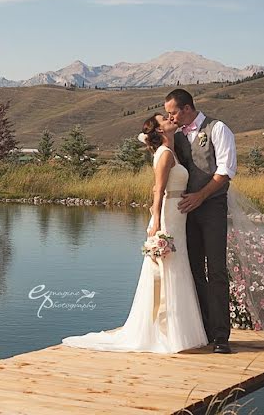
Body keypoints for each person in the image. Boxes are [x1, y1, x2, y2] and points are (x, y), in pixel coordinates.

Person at [61, 113, 208, 353]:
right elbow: (158, 190)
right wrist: (157, 222)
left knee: (177, 266)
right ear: (159, 130)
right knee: (166, 267)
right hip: (168, 216)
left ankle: (179, 332)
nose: (170, 119)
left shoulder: (172, 151)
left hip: (177, 215)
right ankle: (164, 333)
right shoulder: (165, 154)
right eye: (164, 119)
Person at [165, 88, 236, 354]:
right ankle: (202, 330)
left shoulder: (217, 129)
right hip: (186, 211)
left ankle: (221, 337)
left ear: (186, 108)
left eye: (172, 112)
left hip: (213, 208)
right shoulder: (177, 135)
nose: (170, 117)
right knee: (192, 269)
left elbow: (226, 170)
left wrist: (201, 196)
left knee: (216, 270)